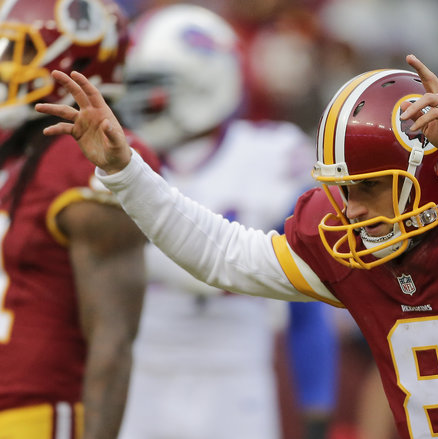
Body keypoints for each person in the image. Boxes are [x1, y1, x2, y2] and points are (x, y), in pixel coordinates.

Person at [37, 52, 438, 438]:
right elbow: (222, 255)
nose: (350, 209)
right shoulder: (346, 242)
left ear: (430, 172)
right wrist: (125, 172)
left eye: (366, 188)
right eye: (341, 190)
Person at [112, 5, 336, 439]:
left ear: (204, 83)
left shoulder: (271, 155)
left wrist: (317, 403)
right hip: (142, 367)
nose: (135, 103)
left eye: (152, 88)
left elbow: (307, 303)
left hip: (235, 372)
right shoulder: (121, 160)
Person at [0, 0, 159, 438]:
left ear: (76, 61)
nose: (6, 66)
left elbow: (113, 337)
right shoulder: (15, 151)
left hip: (42, 414)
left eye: (20, 52)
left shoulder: (92, 162)